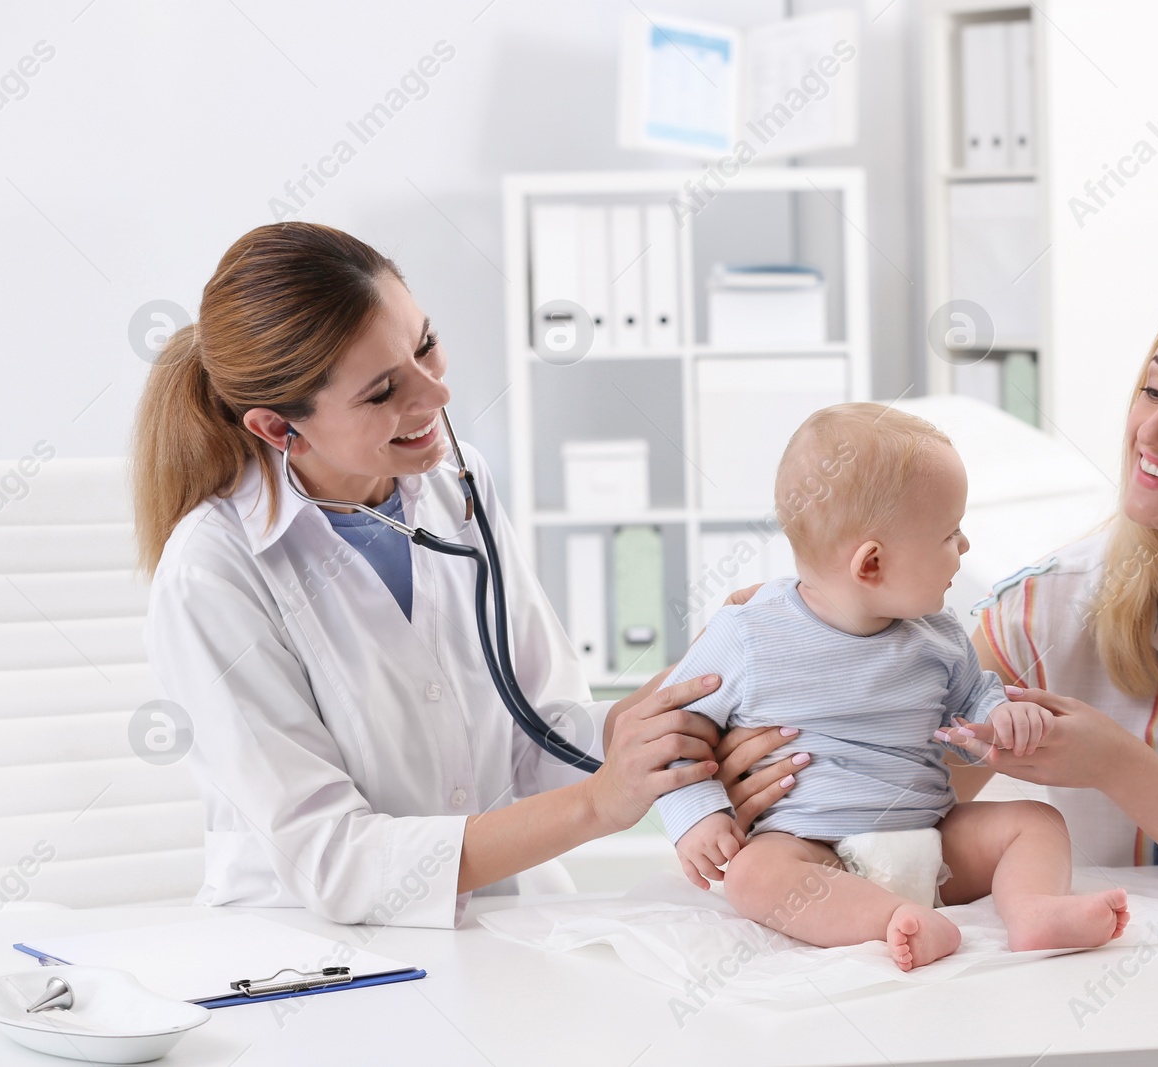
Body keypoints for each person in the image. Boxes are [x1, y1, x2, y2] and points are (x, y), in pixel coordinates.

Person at [725, 277, 1158, 1014]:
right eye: (1153, 390)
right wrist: (790, 694)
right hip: (1119, 998)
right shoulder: (1047, 608)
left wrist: (1120, 767)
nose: (1151, 433)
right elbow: (898, 799)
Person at [131, 221, 776, 927]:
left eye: (426, 345)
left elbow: (540, 734)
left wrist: (696, 687)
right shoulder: (213, 573)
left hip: (502, 928)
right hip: (315, 956)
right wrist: (599, 802)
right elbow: (337, 860)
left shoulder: (453, 481)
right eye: (383, 391)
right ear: (280, 428)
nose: (434, 395)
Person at [654, 404, 1130, 971]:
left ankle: (1034, 909)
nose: (966, 547)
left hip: (932, 839)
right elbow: (672, 734)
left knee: (1038, 821)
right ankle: (888, 919)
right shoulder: (746, 634)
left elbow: (972, 703)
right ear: (872, 563)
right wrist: (697, 814)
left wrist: (1002, 716)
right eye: (950, 533)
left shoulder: (939, 635)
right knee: (755, 875)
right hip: (814, 851)